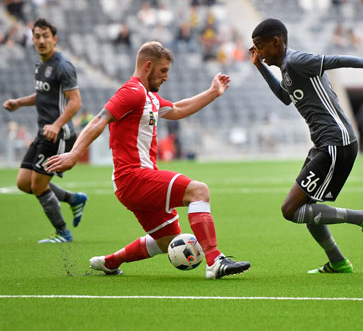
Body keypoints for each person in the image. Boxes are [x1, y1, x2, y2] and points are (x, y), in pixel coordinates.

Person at [46, 41, 250, 279]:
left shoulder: (148, 97)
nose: (165, 77)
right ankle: (215, 261)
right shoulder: (131, 92)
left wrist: (213, 92)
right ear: (148, 66)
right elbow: (99, 119)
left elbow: (177, 109)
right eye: (163, 71)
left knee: (167, 242)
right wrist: (74, 154)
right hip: (134, 177)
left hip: (132, 182)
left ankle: (110, 262)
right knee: (199, 191)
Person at [250, 18, 363, 274]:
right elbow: (285, 97)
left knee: (290, 210)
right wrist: (260, 67)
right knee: (306, 208)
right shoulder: (286, 67)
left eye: (260, 47)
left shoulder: (297, 60)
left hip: (336, 142)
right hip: (323, 144)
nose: (258, 52)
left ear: (276, 42)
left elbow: (337, 60)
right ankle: (337, 261)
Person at [3, 19, 88, 243]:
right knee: (23, 182)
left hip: (58, 135)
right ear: (33, 40)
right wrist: (19, 103)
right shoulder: (41, 65)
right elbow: (44, 95)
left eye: (45, 36)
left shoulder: (63, 65)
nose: (41, 41)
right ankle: (73, 199)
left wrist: (57, 124)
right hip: (44, 132)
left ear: (54, 39)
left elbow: (76, 102)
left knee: (38, 185)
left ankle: (62, 232)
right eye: (37, 37)